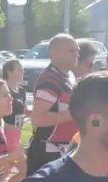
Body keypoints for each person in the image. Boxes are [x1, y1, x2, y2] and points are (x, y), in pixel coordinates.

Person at [27, 34, 80, 173]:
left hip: (65, 150)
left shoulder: (69, 76)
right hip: (48, 153)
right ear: (54, 53)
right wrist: (75, 113)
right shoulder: (50, 80)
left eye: (77, 50)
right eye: (71, 51)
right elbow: (38, 119)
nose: (77, 54)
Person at [0, 59, 27, 182]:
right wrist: (6, 126)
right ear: (9, 72)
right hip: (5, 135)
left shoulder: (21, 90)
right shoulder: (2, 89)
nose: (23, 72)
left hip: (17, 135)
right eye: (19, 69)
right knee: (7, 170)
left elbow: (24, 111)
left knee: (21, 171)